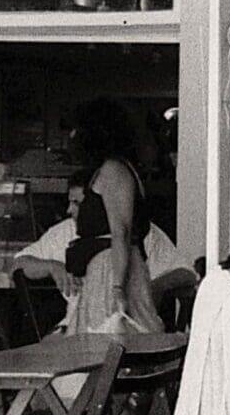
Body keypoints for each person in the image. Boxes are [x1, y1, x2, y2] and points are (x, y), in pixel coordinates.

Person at [11, 169, 195, 331]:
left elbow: (186, 272)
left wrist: (155, 287)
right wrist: (51, 266)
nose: (69, 210)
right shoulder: (64, 232)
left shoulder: (143, 234)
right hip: (79, 328)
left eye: (77, 203)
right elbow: (18, 264)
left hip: (128, 331)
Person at [60, 98, 162, 335]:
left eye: (78, 129)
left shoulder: (113, 170)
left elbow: (121, 232)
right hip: (107, 268)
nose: (72, 136)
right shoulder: (113, 169)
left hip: (111, 270)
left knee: (108, 343)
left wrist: (117, 288)